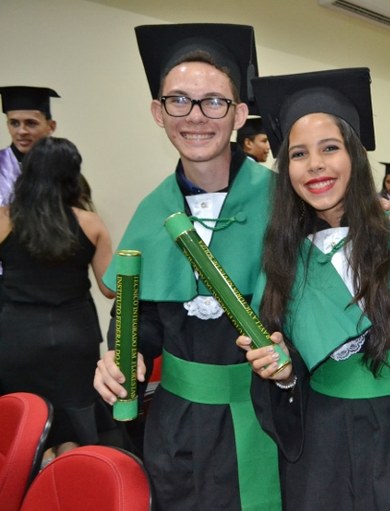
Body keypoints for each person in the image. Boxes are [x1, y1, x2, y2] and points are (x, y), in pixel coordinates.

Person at [92, 24, 282, 511]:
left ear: (239, 114)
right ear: (158, 113)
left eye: (214, 101)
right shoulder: (152, 212)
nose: (196, 116)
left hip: (267, 417)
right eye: (178, 100)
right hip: (175, 429)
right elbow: (139, 318)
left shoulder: (285, 203)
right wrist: (122, 356)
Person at [239, 67, 390, 510]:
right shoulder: (282, 260)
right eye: (298, 154)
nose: (315, 164)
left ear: (355, 154)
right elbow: (286, 367)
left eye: (330, 148)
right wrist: (284, 372)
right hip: (322, 438)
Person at [0, 136, 115, 461]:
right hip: (74, 335)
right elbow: (109, 288)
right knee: (74, 426)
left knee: (25, 426)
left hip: (17, 337)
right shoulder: (90, 223)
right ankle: (71, 476)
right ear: (72, 175)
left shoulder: (4, 219)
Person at [0, 86, 59, 207]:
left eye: (31, 123)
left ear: (51, 127)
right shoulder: (2, 165)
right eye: (14, 123)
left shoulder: (62, 166)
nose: (22, 131)